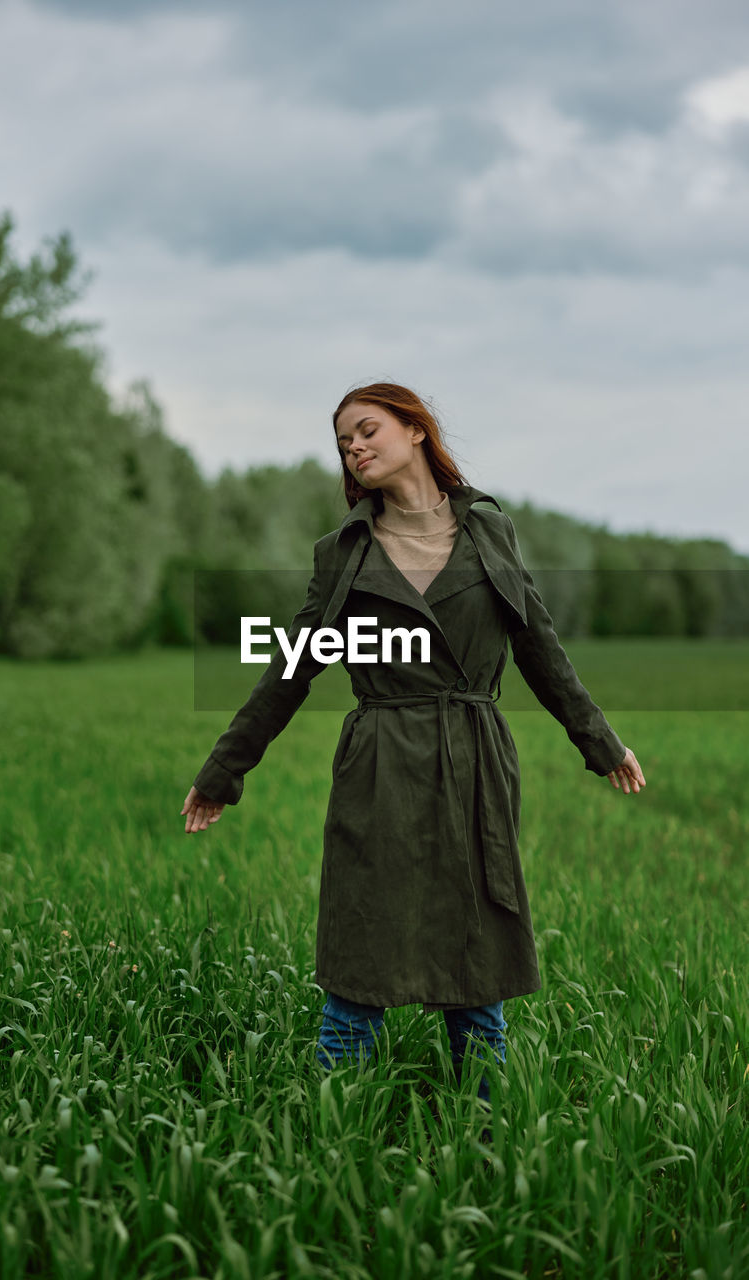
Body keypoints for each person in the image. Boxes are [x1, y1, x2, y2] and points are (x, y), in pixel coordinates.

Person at [183, 382, 645, 1104]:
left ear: (416, 431)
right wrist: (223, 771)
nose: (355, 448)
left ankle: (482, 1144)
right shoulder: (344, 552)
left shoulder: (491, 532)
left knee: (477, 968)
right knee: (359, 964)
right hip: (380, 764)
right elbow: (293, 666)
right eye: (343, 443)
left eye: (366, 431)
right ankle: (338, 1142)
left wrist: (600, 740)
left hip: (474, 759)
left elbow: (538, 645)